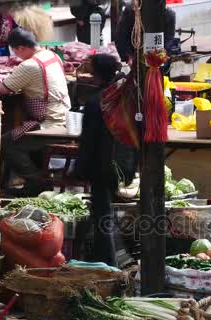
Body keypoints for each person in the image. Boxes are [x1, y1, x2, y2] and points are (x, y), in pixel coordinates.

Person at [0, 28, 71, 195]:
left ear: (20, 48)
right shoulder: (51, 55)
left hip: (50, 124)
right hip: (64, 116)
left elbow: (3, 88)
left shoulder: (30, 65)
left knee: (6, 143)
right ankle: (39, 179)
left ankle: (35, 181)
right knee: (16, 138)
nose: (16, 55)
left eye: (16, 52)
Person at [76, 53, 124, 266]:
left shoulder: (96, 102)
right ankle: (115, 257)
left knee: (103, 212)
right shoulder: (118, 95)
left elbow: (88, 141)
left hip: (100, 165)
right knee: (110, 211)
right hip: (119, 163)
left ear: (95, 73)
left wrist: (80, 169)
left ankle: (109, 261)